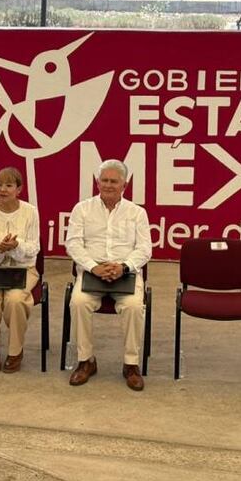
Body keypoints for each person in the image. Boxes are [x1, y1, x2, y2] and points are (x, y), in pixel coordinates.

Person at [65, 159, 151, 391]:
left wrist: (123, 267)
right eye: (104, 180)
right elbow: (73, 245)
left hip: (125, 272)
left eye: (114, 181)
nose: (109, 185)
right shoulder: (82, 209)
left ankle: (131, 365)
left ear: (125, 184)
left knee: (134, 306)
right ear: (97, 182)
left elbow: (144, 249)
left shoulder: (137, 213)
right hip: (93, 271)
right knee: (78, 303)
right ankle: (86, 361)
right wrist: (93, 267)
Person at [0, 167, 40, 373]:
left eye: (9, 185)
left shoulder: (30, 211)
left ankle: (15, 351)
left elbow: (34, 248)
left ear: (19, 189)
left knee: (15, 300)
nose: (2, 189)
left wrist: (16, 245)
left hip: (23, 269)